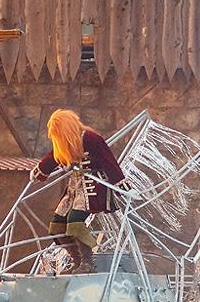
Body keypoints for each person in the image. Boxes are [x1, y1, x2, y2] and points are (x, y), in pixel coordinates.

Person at [30, 109, 129, 274]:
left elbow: (109, 162)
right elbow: (54, 157)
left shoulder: (91, 138)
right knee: (57, 225)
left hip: (93, 187)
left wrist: (122, 186)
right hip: (75, 187)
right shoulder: (66, 141)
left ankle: (88, 262)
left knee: (75, 221)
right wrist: (39, 171)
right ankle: (76, 261)